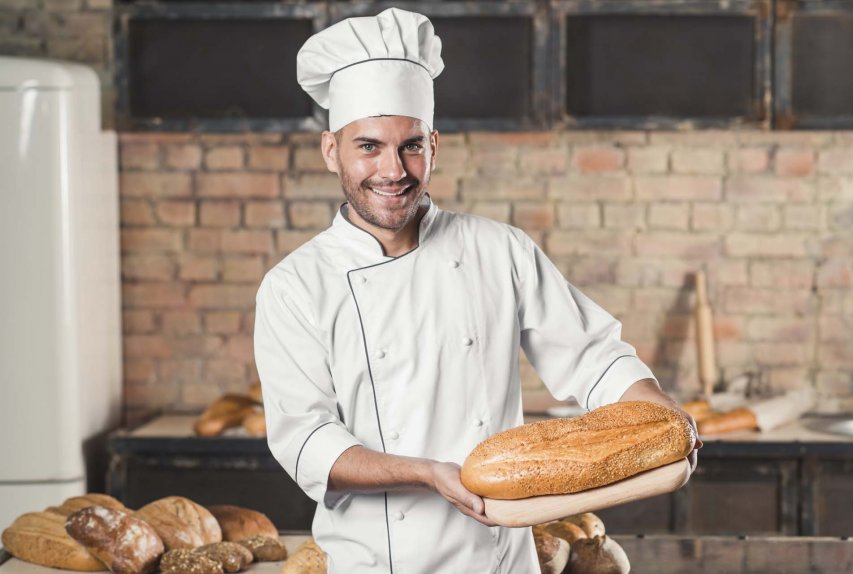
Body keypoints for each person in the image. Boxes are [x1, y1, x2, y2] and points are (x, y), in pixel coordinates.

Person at [254, 7, 701, 573]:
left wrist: (660, 416)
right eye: (368, 146)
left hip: (500, 563)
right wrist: (427, 472)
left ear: (434, 146)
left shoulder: (498, 250)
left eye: (410, 145)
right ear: (330, 151)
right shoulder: (295, 287)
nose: (392, 169)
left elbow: (592, 357)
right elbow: (307, 441)